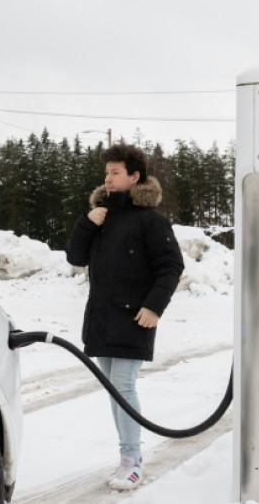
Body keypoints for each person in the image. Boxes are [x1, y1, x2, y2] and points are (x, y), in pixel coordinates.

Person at [66, 143, 183, 490]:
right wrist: (87, 223)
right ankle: (127, 458)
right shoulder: (101, 215)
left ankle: (131, 461)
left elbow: (171, 266)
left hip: (136, 318)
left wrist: (154, 307)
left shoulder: (151, 220)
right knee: (114, 391)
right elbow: (76, 257)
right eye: (107, 172)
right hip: (102, 318)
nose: (109, 178)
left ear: (135, 177)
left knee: (124, 386)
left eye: (116, 172)